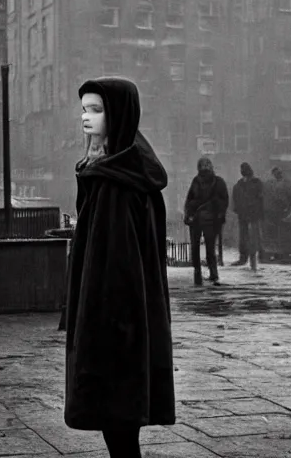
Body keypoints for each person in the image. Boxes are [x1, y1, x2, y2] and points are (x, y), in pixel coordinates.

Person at [65, 77, 175, 457]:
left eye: (96, 110)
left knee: (118, 418)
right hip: (119, 319)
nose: (86, 117)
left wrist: (105, 321)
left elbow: (120, 263)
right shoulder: (118, 172)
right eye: (84, 109)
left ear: (119, 115)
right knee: (118, 419)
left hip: (115, 321)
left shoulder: (119, 182)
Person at [184, 156, 229, 286]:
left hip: (210, 220)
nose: (204, 168)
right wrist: (188, 214)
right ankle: (199, 274)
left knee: (209, 248)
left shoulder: (218, 182)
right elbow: (189, 199)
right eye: (202, 165)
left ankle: (213, 274)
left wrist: (219, 214)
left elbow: (224, 201)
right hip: (197, 220)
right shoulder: (196, 181)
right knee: (196, 248)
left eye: (206, 165)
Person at [230, 162, 264, 272]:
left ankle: (248, 257)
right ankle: (248, 257)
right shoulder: (248, 184)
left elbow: (260, 198)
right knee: (249, 236)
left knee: (249, 236)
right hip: (247, 214)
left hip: (249, 214)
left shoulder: (242, 184)